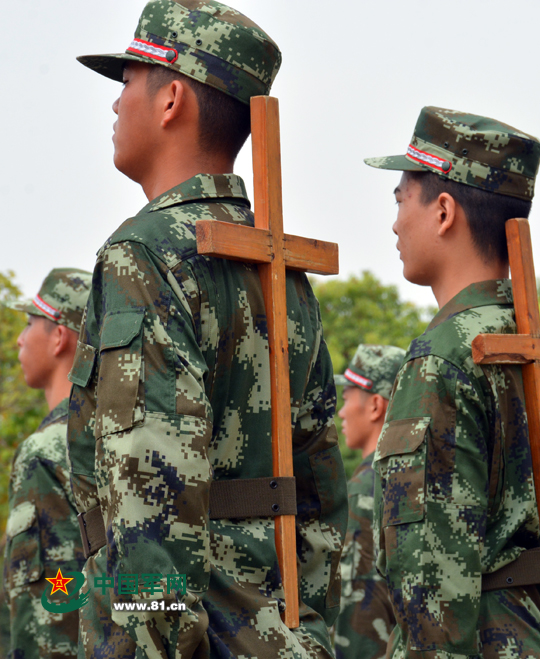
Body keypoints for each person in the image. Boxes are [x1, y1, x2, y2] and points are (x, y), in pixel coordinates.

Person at [68, 2, 346, 656]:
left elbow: (150, 501)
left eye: (129, 80)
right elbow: (323, 502)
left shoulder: (144, 255)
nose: (115, 104)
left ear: (170, 99)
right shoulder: (282, 269)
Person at [364, 107, 540, 657]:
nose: (395, 223)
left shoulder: (441, 361)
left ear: (444, 211)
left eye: (400, 200)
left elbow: (431, 590)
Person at [2, 268, 90, 659]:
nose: (20, 339)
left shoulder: (46, 451)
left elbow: (47, 618)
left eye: (31, 323)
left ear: (59, 336)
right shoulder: (120, 438)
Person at [333, 344, 404, 659]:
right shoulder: (411, 480)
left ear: (375, 405)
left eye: (346, 398)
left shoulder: (364, 491)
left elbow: (360, 613)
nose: (341, 411)